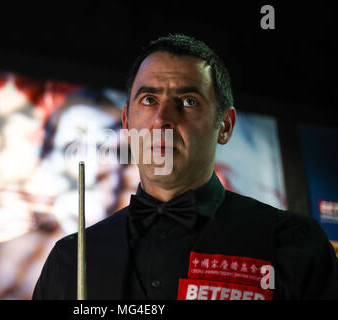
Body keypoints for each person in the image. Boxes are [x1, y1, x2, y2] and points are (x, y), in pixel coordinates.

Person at [32, 34, 338, 300]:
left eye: (189, 101)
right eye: (149, 99)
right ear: (127, 122)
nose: (163, 118)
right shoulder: (70, 259)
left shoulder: (294, 244)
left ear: (225, 126)